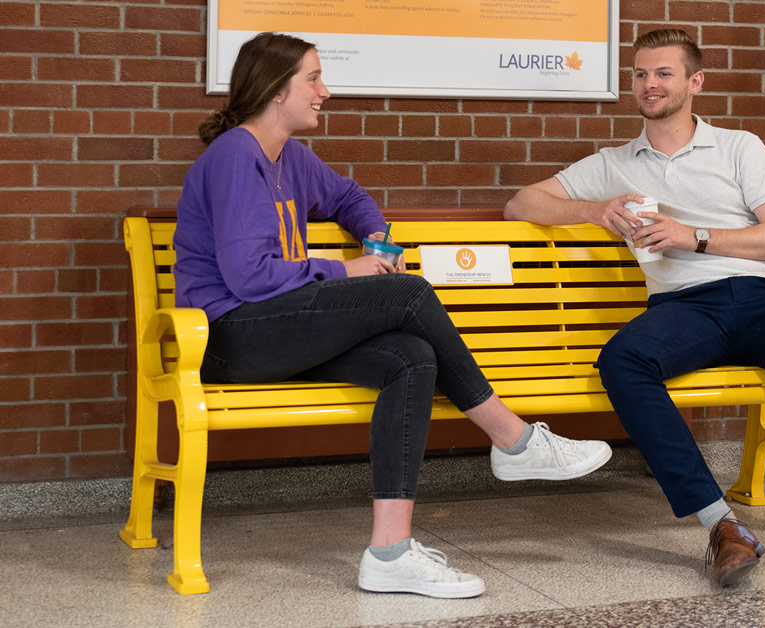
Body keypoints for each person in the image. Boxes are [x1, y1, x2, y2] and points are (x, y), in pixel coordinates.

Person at [174, 32, 613, 599]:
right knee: (408, 294)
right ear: (276, 90)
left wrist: (375, 236)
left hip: (277, 327)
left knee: (411, 358)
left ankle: (390, 553)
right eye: (312, 78)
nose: (324, 92)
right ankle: (514, 439)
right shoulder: (237, 155)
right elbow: (249, 277)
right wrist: (347, 268)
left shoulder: (291, 157)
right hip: (231, 336)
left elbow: (349, 197)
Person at [504, 28, 765, 588]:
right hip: (686, 308)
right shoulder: (614, 162)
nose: (649, 84)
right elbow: (520, 204)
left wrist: (694, 236)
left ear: (694, 82)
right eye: (640, 74)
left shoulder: (739, 146)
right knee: (623, 361)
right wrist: (595, 208)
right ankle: (722, 526)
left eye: (663, 73)